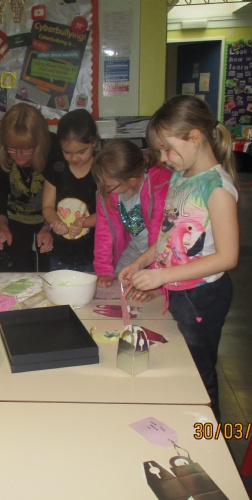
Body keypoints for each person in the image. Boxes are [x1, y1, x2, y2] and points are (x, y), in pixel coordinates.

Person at [119, 95, 239, 420]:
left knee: (199, 375)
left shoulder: (216, 188)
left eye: (168, 149)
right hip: (180, 291)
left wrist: (162, 276)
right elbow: (167, 237)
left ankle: (209, 435)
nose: (163, 159)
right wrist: (142, 262)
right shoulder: (180, 177)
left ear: (194, 137)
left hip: (203, 295)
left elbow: (228, 257)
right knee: (183, 365)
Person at [0, 102, 65, 272]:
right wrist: (2, 228)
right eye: (13, 149)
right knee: (16, 271)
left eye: (27, 149)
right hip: (13, 220)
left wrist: (49, 227)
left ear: (40, 143)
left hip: (52, 217)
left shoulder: (55, 150)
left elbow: (63, 196)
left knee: (50, 271)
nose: (19, 156)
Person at [93, 139, 172, 301]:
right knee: (119, 286)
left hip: (160, 252)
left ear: (132, 181)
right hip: (135, 249)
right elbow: (103, 232)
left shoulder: (158, 188)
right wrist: (104, 270)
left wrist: (157, 284)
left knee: (149, 298)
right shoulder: (109, 192)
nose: (104, 191)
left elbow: (162, 241)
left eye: (109, 186)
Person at [42, 108, 98, 272]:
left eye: (81, 152)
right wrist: (55, 222)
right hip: (60, 253)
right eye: (67, 152)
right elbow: (47, 207)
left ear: (94, 142)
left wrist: (83, 223)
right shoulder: (56, 168)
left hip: (93, 252)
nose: (74, 158)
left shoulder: (101, 170)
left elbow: (105, 213)